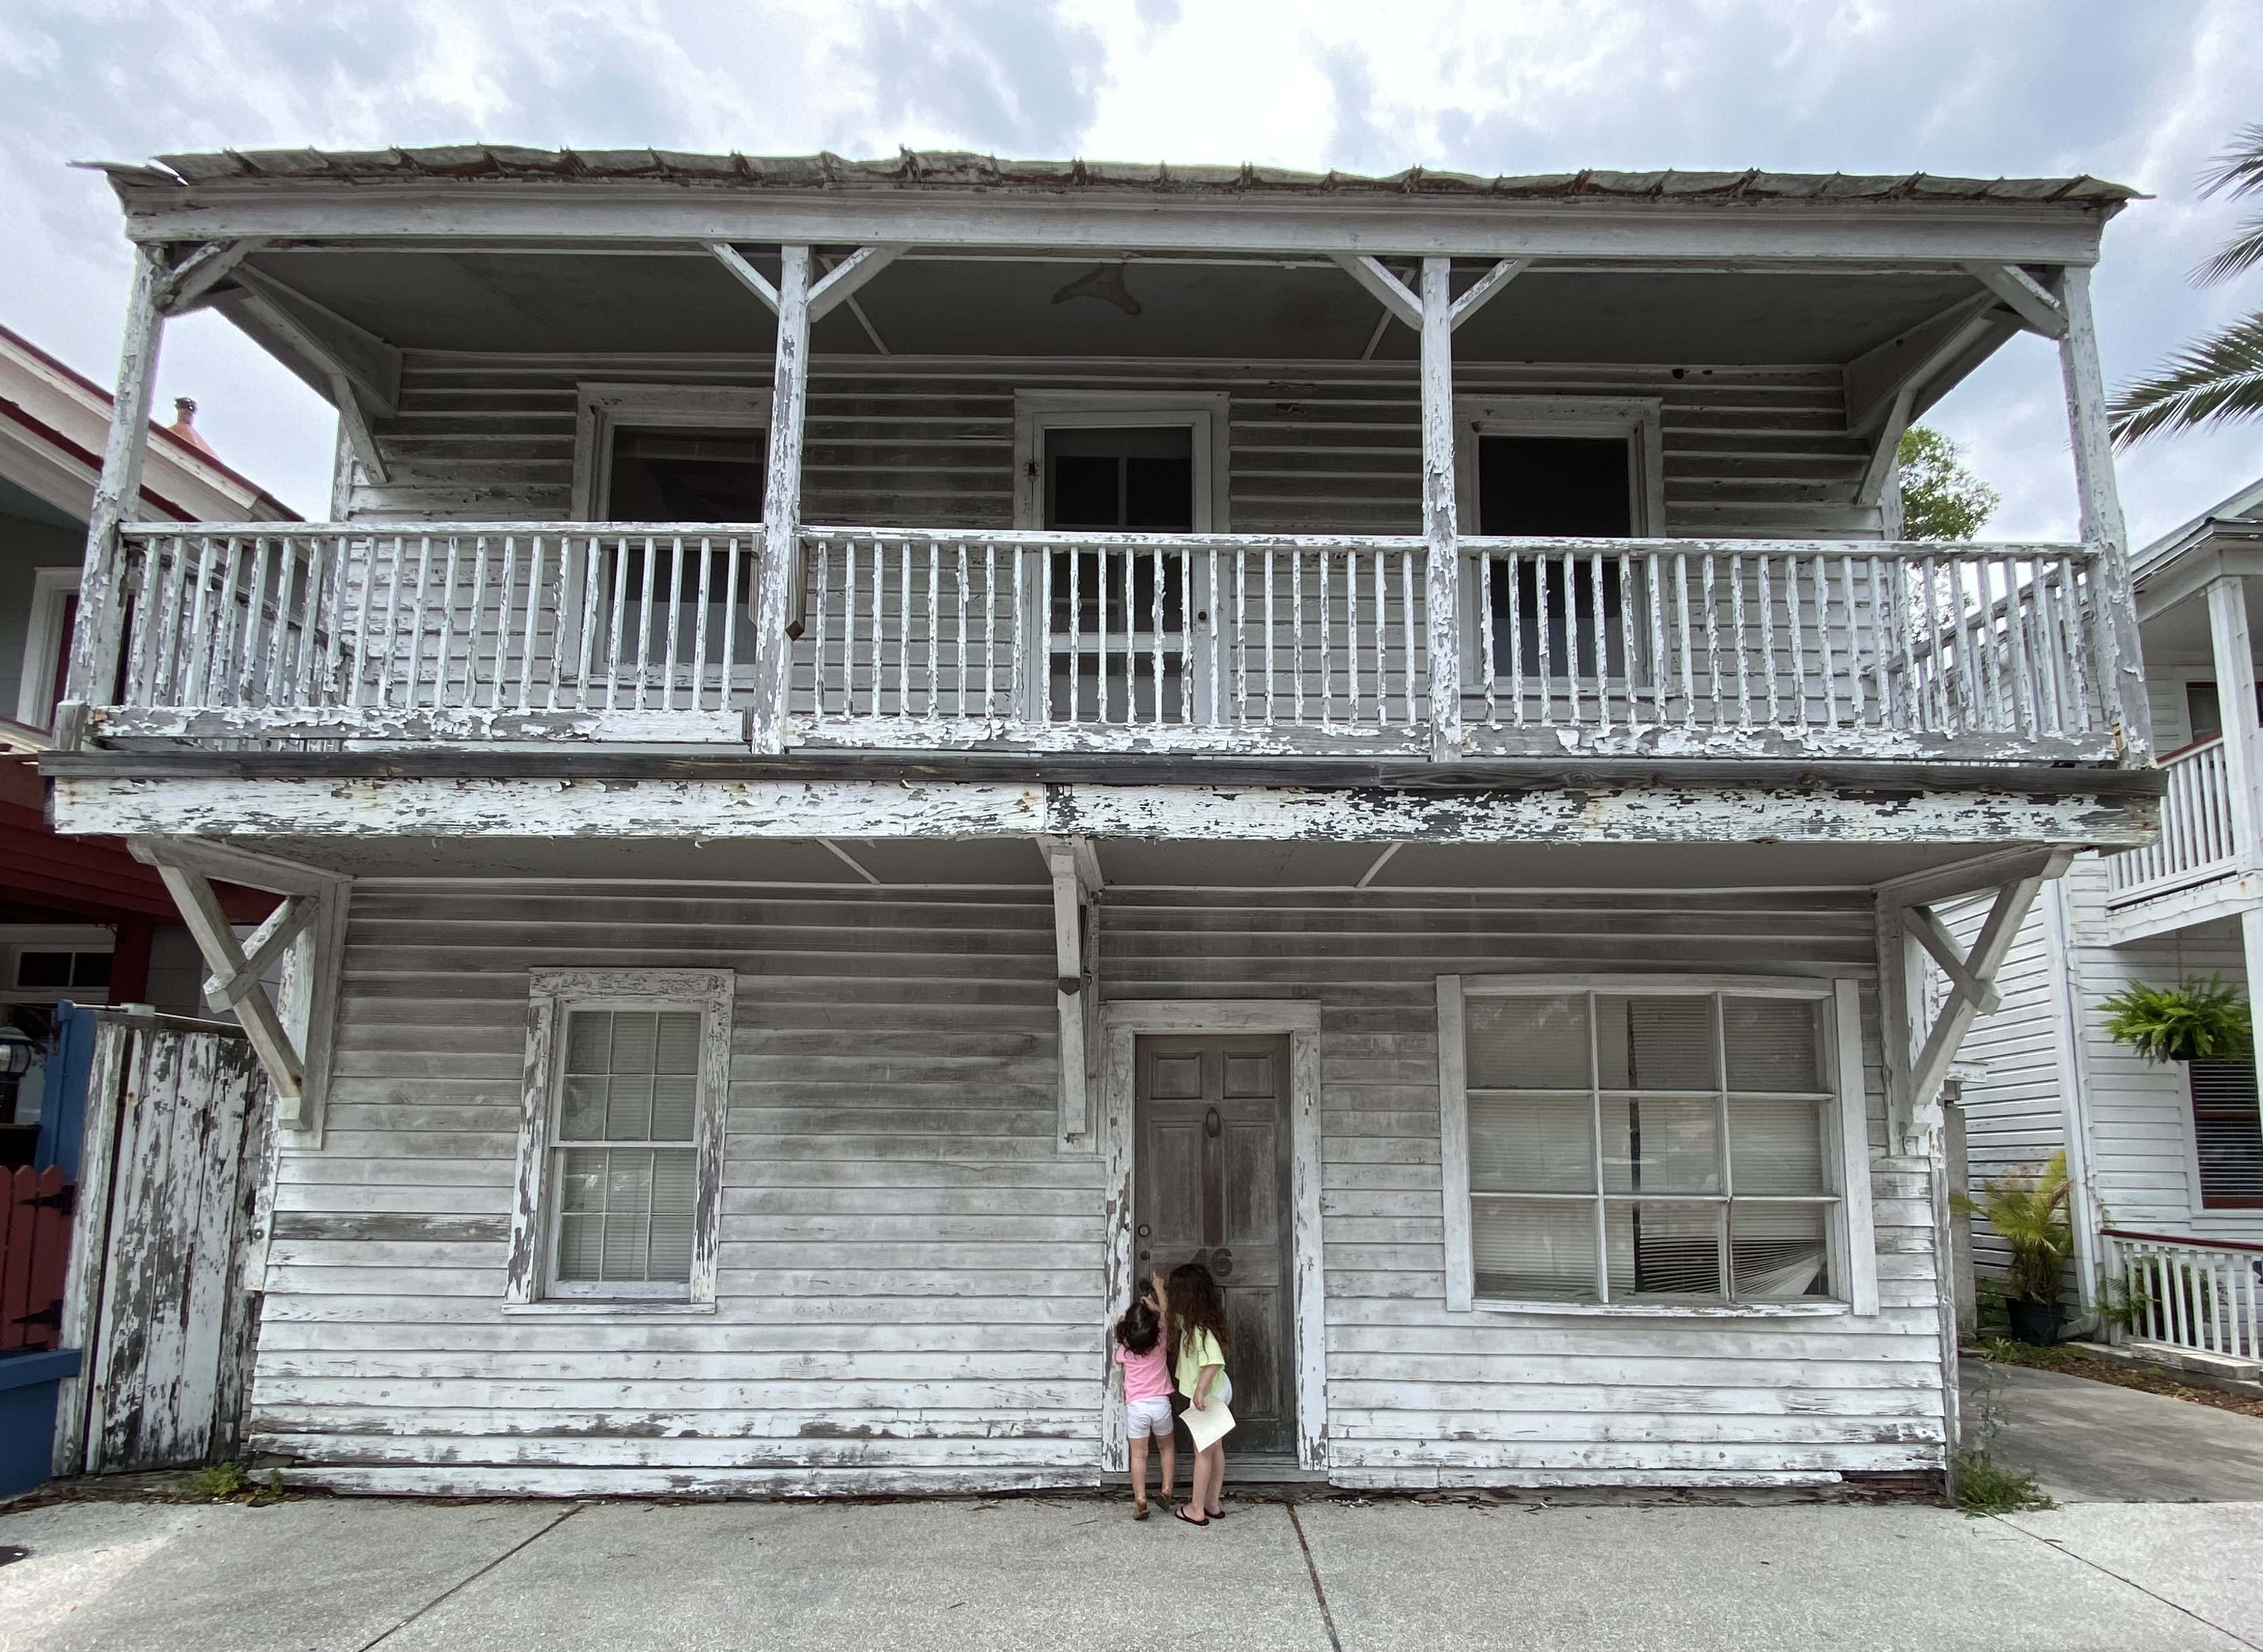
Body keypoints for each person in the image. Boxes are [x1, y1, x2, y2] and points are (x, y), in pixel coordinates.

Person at [1163, 1259, 1233, 1528]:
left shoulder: (1202, 1332)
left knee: (1202, 1451)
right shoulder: (1190, 1322)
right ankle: (1213, 1502)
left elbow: (1214, 1362)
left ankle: (1196, 1508)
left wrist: (1200, 1391)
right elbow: (1169, 1314)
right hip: (1214, 1393)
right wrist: (1158, 1295)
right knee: (1215, 1448)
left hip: (1209, 1396)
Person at [1110, 1279, 1175, 1519]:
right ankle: (1167, 1490)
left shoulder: (1125, 1350)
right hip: (1160, 1405)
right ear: (1153, 1328)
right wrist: (1157, 1293)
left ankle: (1140, 1498)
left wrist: (1123, 1327)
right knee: (1166, 1448)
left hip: (1137, 1408)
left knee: (1139, 1454)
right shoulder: (1160, 1341)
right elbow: (1166, 1316)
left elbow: (1124, 1339)